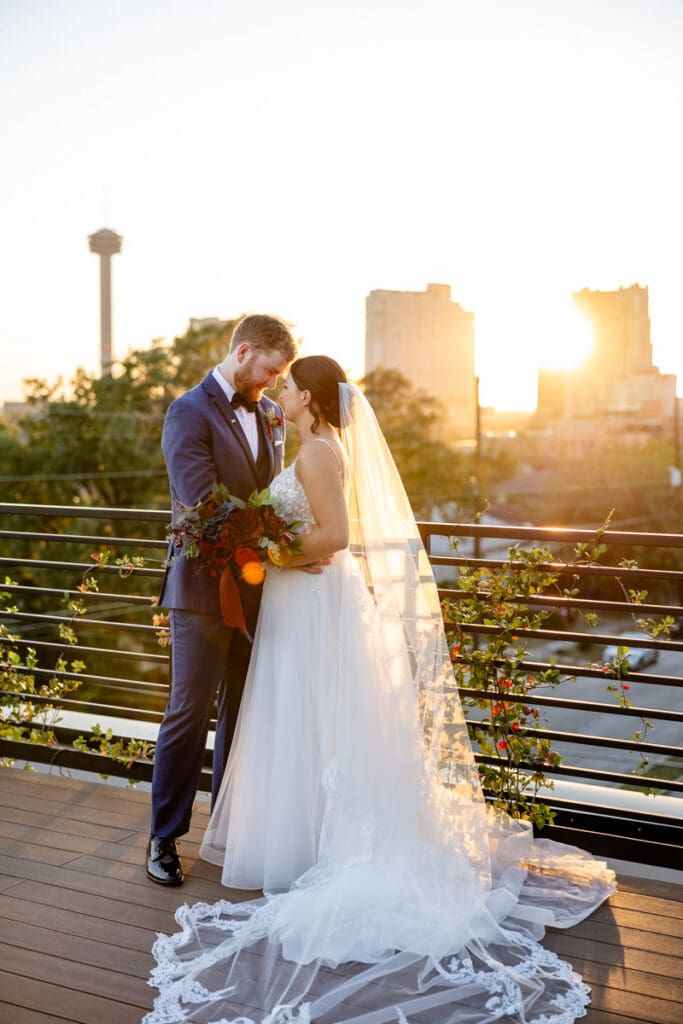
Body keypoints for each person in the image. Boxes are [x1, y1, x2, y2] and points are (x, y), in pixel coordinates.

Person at [145, 356, 616, 1023]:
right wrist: (266, 548)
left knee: (310, 716)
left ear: (306, 396)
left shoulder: (314, 451)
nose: (278, 390)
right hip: (289, 605)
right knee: (304, 719)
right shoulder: (305, 441)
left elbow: (332, 538)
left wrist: (267, 553)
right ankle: (296, 840)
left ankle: (312, 848)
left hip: (306, 599)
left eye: (286, 383)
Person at [147, 314, 297, 887]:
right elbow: (200, 501)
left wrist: (285, 544)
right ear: (244, 351)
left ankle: (227, 829)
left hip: (258, 589)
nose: (272, 382)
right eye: (268, 370)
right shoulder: (187, 411)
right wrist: (280, 539)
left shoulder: (272, 414)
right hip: (201, 591)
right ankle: (163, 837)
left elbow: (274, 491)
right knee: (188, 713)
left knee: (243, 710)